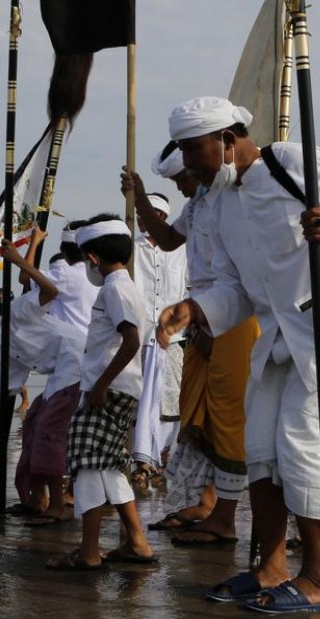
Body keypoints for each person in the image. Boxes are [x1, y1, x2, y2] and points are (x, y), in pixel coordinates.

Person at [155, 97, 320, 611]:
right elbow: (236, 287)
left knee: (306, 450)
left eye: (193, 150)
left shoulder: (287, 160)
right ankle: (269, 568)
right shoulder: (217, 202)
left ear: (226, 138)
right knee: (259, 450)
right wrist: (193, 308)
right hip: (282, 332)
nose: (188, 161)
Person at [123, 139, 256, 546]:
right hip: (201, 318)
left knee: (228, 418)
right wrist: (140, 197)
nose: (183, 187)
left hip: (236, 315)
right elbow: (165, 238)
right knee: (197, 415)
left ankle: (226, 519)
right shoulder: (196, 206)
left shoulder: (235, 199)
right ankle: (206, 502)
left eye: (185, 177)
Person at [48, 216, 155, 569]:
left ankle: (89, 552)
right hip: (118, 388)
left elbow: (131, 340)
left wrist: (101, 386)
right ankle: (137, 542)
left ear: (92, 257)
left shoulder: (113, 289)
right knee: (109, 467)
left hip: (108, 391)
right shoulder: (125, 287)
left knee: (88, 467)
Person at [0, 243, 86, 525]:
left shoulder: (17, 310)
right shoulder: (6, 349)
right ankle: (36, 498)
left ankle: (56, 504)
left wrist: (18, 262)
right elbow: (3, 400)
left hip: (77, 365)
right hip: (60, 374)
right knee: (31, 424)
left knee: (48, 431)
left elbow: (51, 291)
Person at [130, 192, 188, 490]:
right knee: (139, 400)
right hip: (138, 338)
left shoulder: (182, 250)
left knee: (169, 400)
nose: (142, 219)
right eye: (140, 214)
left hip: (173, 338)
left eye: (150, 214)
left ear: (162, 217)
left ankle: (162, 457)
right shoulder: (131, 249)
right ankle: (140, 459)